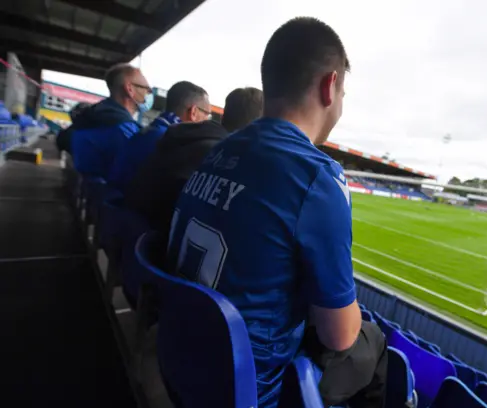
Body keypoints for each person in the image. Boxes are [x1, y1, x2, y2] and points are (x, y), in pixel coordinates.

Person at [165, 17, 387, 408]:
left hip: (178, 359)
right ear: (330, 85)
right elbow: (340, 336)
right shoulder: (315, 175)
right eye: (344, 91)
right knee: (375, 343)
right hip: (243, 388)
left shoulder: (216, 151)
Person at [124, 87, 263, 239]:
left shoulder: (179, 137)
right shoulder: (222, 157)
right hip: (156, 248)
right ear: (259, 126)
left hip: (131, 238)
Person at [107, 81, 210, 191]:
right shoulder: (172, 145)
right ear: (193, 112)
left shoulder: (145, 132)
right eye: (207, 114)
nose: (207, 120)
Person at [71, 63, 150, 178]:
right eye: (146, 89)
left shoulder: (90, 117)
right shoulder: (125, 131)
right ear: (130, 89)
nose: (148, 94)